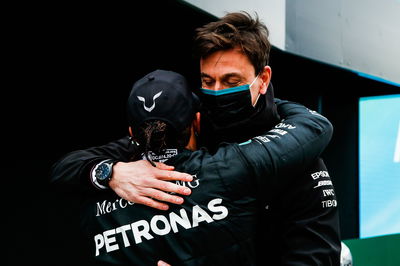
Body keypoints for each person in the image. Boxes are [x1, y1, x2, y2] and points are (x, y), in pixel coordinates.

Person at [50, 12, 341, 264]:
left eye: (231, 81)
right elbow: (69, 166)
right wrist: (111, 172)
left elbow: (315, 257)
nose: (217, 91)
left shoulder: (299, 152)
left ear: (263, 79)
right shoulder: (195, 124)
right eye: (207, 81)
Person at [79, 69, 334, 265]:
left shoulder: (93, 204)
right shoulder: (230, 169)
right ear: (198, 122)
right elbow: (313, 126)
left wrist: (109, 172)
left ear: (131, 133)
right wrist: (268, 98)